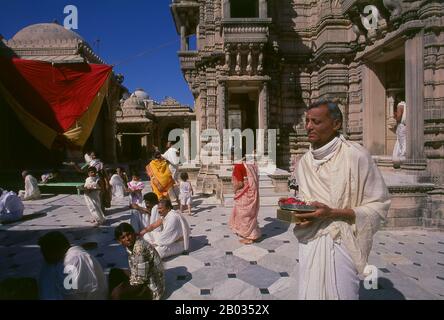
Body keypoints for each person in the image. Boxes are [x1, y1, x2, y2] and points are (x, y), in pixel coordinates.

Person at [293, 100, 391, 300]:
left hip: (342, 242)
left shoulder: (356, 156)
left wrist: (332, 213)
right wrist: (299, 213)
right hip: (310, 241)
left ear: (336, 124)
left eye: (316, 122)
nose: (309, 126)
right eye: (307, 121)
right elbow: (305, 200)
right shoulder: (304, 162)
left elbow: (378, 206)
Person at [38, 231, 108, 300]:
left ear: (55, 250)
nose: (44, 256)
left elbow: (69, 292)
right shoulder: (55, 260)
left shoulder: (75, 259)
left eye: (46, 252)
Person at [111, 223, 165, 300]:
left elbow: (140, 280)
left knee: (117, 293)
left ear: (134, 233)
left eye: (128, 234)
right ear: (119, 241)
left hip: (151, 289)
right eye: (123, 237)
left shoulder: (139, 248)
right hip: (142, 276)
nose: (127, 239)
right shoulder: (132, 245)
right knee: (114, 272)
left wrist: (122, 288)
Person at [229, 150, 261, 245]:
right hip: (252, 192)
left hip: (244, 194)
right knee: (250, 215)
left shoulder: (238, 166)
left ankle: (249, 237)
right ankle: (254, 233)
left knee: (244, 216)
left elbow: (240, 183)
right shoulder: (251, 165)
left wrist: (234, 190)